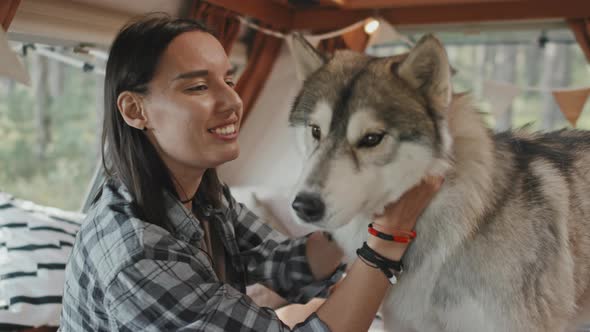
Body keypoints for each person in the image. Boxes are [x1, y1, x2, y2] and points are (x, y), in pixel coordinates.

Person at [58, 14, 443, 331]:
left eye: (229, 79)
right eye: (197, 86)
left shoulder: (204, 196)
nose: (232, 101)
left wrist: (357, 208)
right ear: (134, 111)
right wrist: (387, 238)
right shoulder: (137, 254)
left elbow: (281, 261)